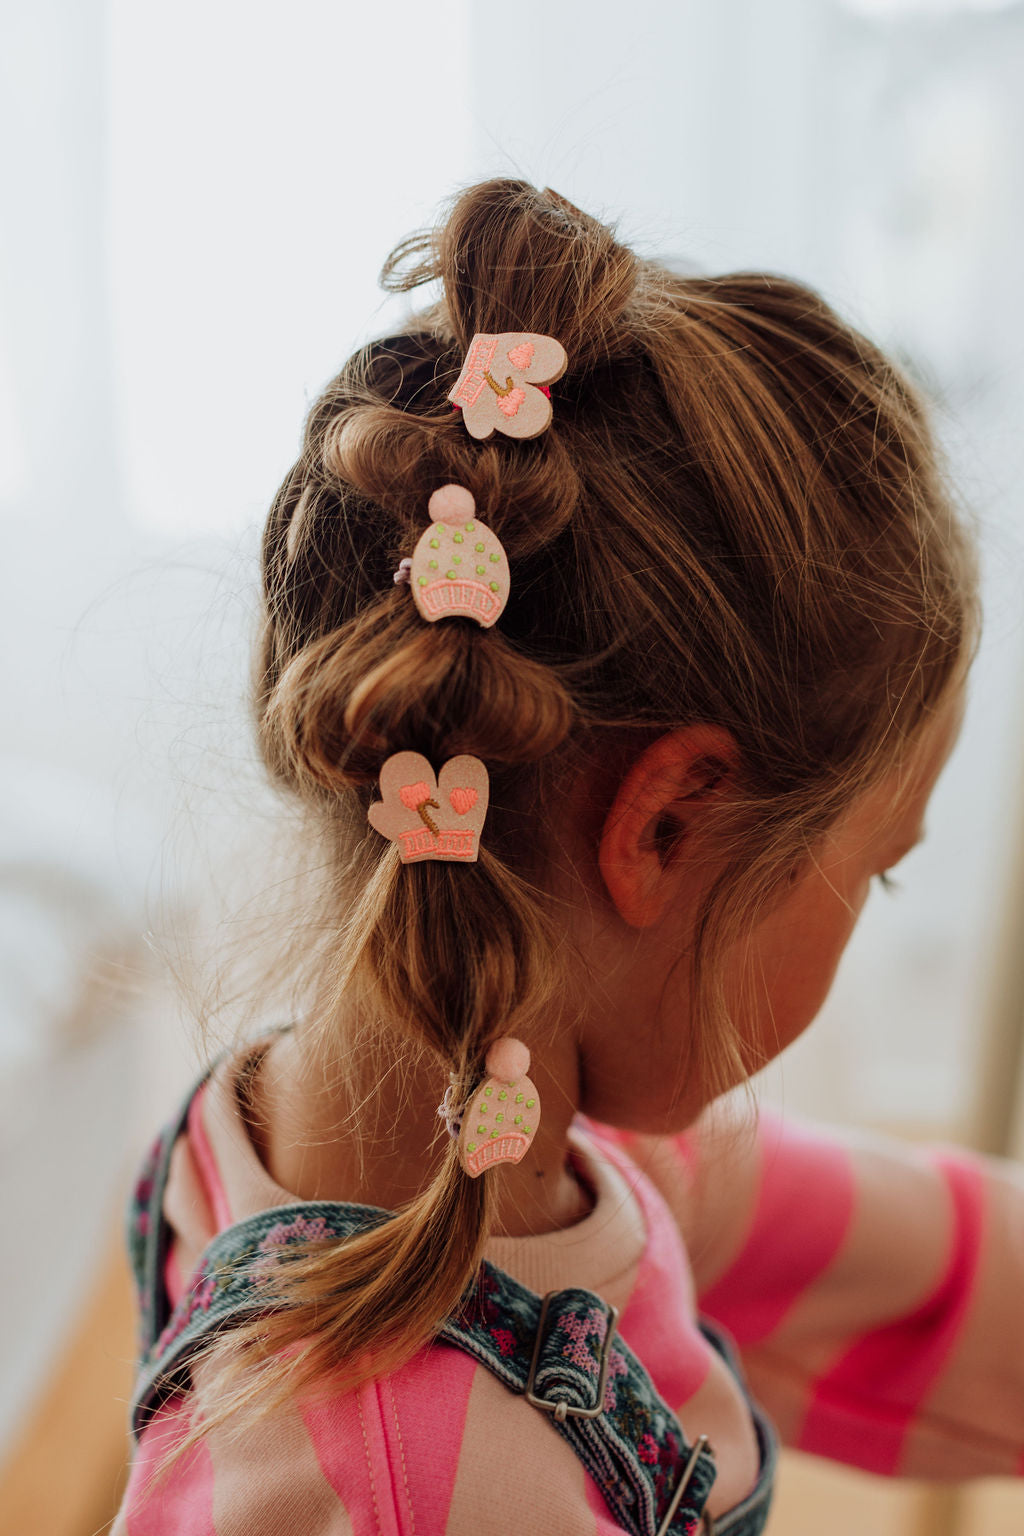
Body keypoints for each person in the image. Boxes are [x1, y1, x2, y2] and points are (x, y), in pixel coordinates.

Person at [112, 180, 1022, 1536]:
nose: (870, 909)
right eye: (873, 870)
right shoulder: (421, 1488)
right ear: (664, 826)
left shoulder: (484, 1144)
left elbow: (945, 1275)